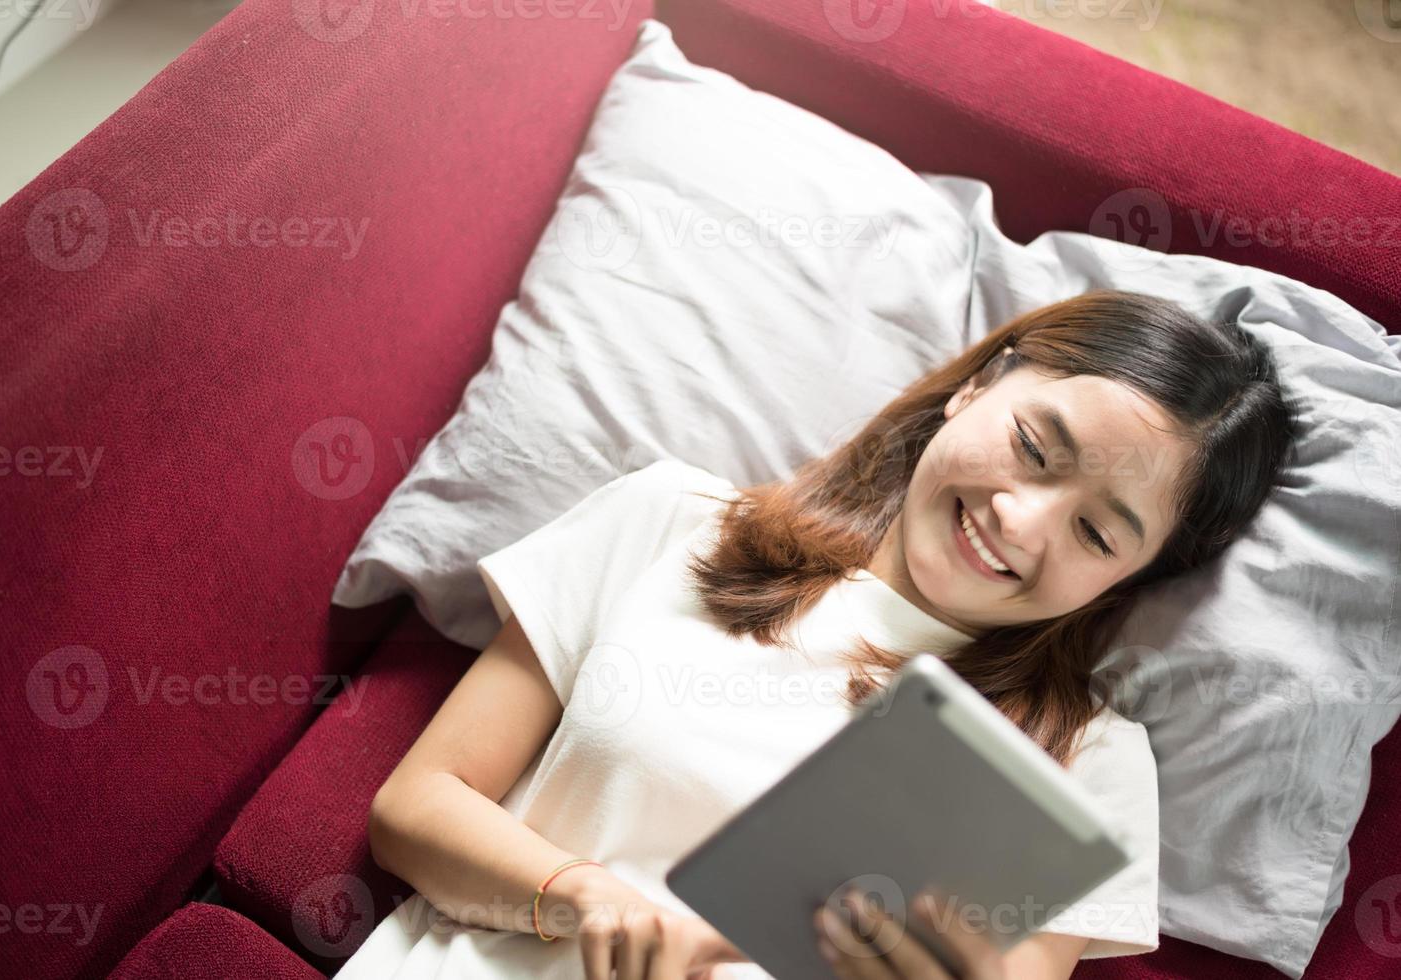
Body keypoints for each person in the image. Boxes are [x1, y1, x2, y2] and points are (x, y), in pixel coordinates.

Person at [350, 289, 1295, 980]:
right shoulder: (674, 520)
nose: (1022, 520)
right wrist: (580, 896)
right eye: (1035, 448)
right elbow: (418, 807)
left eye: (1097, 533)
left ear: (1132, 580)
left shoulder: (1089, 764)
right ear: (980, 385)